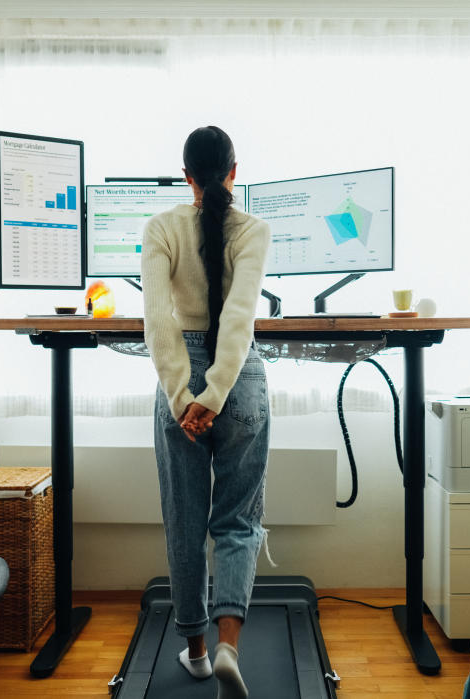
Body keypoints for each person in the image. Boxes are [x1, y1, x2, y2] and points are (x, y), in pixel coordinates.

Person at [142, 125, 271, 699]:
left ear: (186, 175)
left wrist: (183, 398)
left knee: (186, 522)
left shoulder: (161, 228)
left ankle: (195, 653)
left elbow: (158, 323)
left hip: (183, 379)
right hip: (238, 379)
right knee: (238, 521)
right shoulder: (254, 231)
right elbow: (239, 321)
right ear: (233, 172)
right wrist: (217, 393)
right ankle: (228, 648)